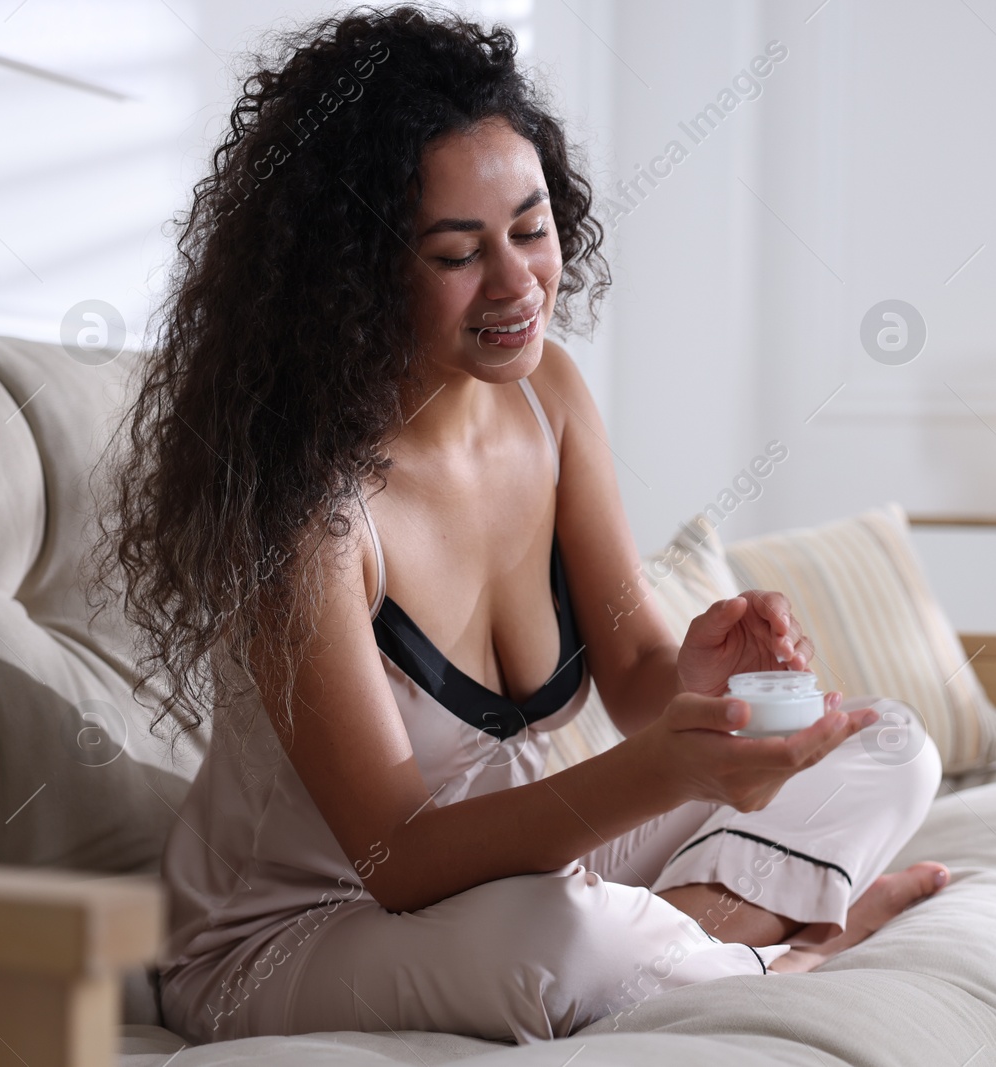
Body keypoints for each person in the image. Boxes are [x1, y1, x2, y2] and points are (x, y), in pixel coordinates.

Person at [102, 5, 945, 1046]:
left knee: (886, 746)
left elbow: (634, 671)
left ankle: (707, 955)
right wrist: (668, 772)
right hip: (296, 929)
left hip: (515, 867)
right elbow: (395, 857)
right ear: (354, 274)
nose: (517, 284)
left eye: (532, 228)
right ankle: (794, 944)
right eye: (458, 252)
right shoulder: (307, 510)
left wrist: (701, 676)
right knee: (564, 942)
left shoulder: (548, 395)